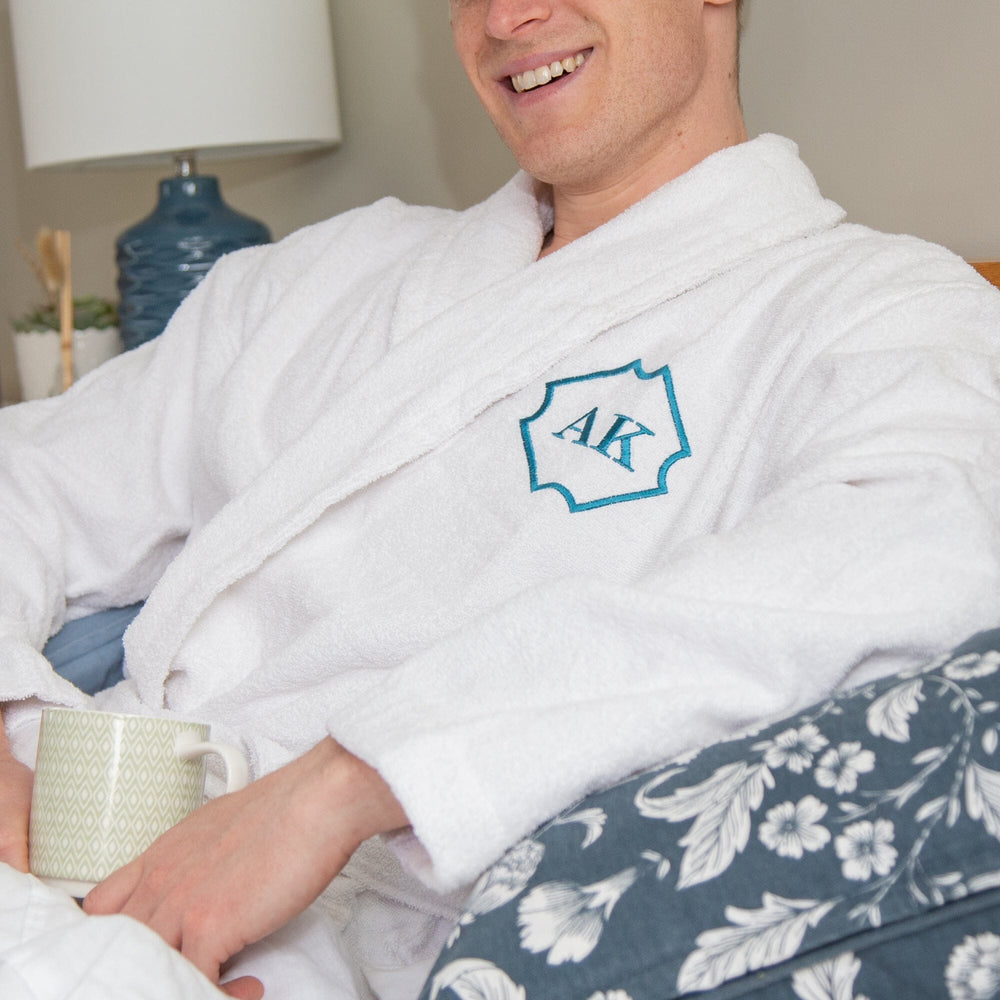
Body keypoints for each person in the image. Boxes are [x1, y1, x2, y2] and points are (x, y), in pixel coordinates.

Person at [2, 0, 999, 997]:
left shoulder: (874, 311)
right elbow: (31, 475)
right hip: (55, 847)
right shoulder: (325, 274)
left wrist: (346, 782)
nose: (508, 15)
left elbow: (919, 553)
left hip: (308, 944)